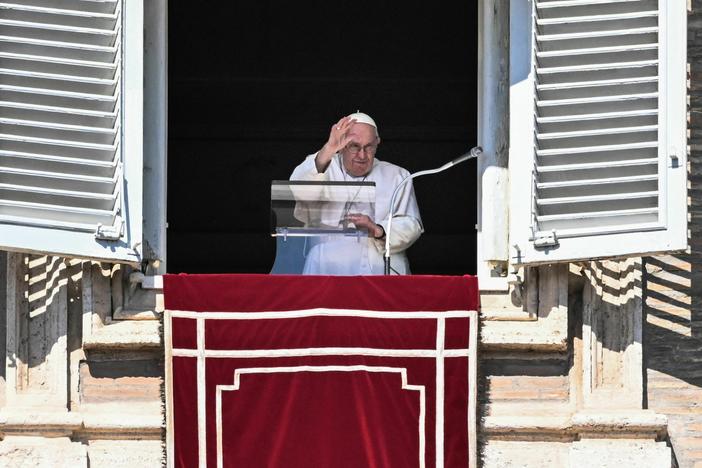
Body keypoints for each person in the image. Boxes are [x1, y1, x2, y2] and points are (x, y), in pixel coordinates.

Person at [290, 112, 422, 275]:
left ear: (377, 143)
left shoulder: (397, 175)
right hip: (325, 268)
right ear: (342, 145)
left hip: (380, 269)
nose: (362, 155)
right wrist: (329, 149)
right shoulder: (322, 165)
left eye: (369, 147)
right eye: (354, 146)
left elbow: (411, 224)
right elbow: (297, 190)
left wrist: (377, 229)